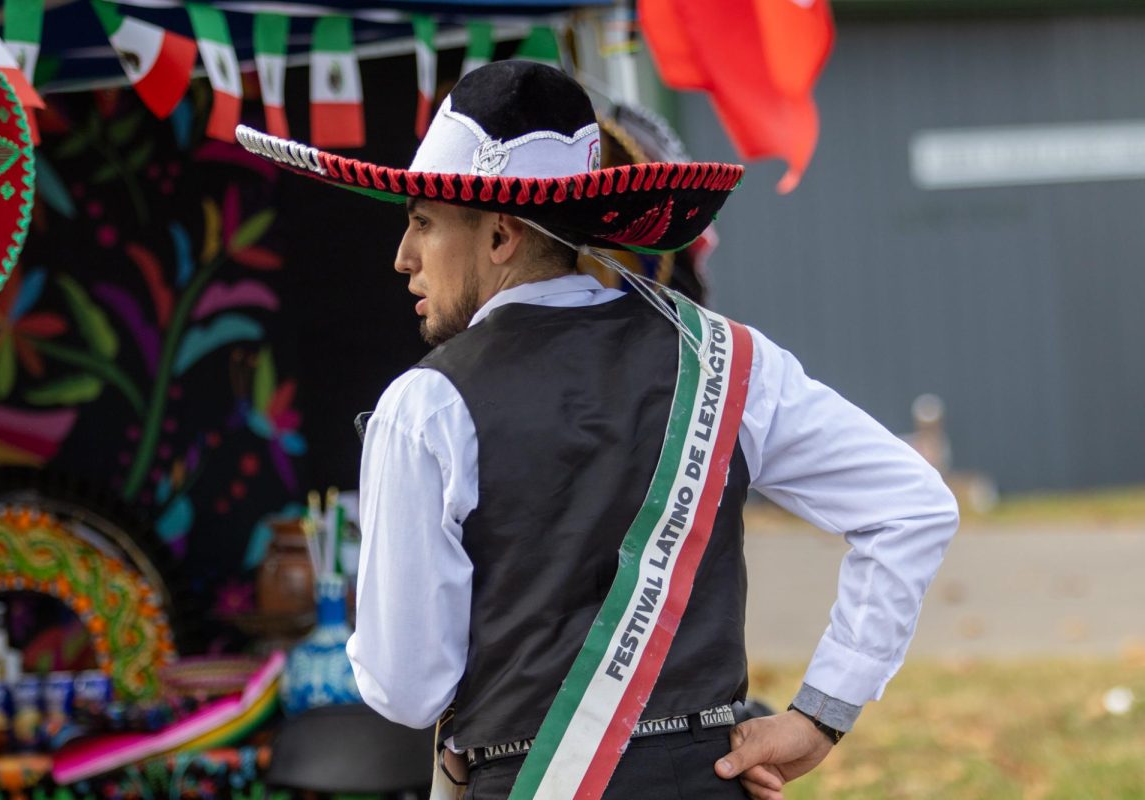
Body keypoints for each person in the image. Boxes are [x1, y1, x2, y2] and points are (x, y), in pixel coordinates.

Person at [237, 61, 958, 800]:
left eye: (423, 222)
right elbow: (912, 505)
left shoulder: (424, 407)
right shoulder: (730, 362)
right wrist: (819, 716)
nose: (403, 257)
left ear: (500, 234)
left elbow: (406, 688)